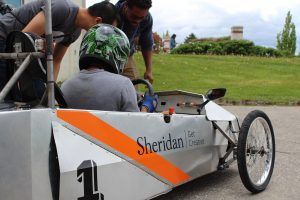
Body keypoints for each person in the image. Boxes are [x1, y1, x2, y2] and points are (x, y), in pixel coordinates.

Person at [0, 0, 119, 92]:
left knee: (40, 94)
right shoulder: (63, 9)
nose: (104, 36)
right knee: (8, 93)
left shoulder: (74, 32)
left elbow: (56, 60)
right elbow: (22, 39)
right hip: (5, 38)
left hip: (22, 51)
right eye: (105, 31)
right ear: (98, 21)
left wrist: (50, 91)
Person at [61, 24, 157, 113]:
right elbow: (135, 124)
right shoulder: (123, 85)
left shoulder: (66, 85)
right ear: (118, 53)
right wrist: (146, 107)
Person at [115, 0, 154, 83]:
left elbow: (147, 44)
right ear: (126, 5)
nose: (137, 21)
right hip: (107, 54)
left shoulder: (147, 19)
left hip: (127, 55)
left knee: (133, 84)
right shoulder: (112, 13)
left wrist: (149, 70)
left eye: (141, 18)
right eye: (134, 16)